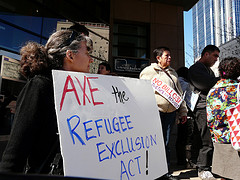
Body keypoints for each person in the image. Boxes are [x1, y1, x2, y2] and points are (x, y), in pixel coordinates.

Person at [0, 29, 93, 174]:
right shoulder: (39, 87)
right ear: (70, 55)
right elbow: (15, 153)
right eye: (87, 53)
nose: (91, 59)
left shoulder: (82, 91)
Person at [140, 47, 188, 180]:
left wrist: (183, 112)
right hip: (154, 112)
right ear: (158, 58)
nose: (170, 58)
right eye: (167, 56)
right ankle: (149, 171)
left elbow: (179, 95)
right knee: (153, 143)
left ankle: (164, 172)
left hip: (171, 114)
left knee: (165, 143)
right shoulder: (148, 72)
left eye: (170, 56)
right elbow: (142, 92)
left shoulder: (173, 74)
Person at [188, 45, 220, 180]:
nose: (216, 60)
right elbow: (205, 84)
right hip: (202, 107)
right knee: (205, 139)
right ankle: (203, 169)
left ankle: (199, 164)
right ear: (206, 54)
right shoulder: (196, 69)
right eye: (215, 56)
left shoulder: (208, 70)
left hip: (207, 106)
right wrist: (221, 81)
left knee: (200, 137)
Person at [206, 57, 240, 180]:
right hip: (238, 140)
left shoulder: (212, 91)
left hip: (220, 140)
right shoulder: (238, 89)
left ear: (220, 72)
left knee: (224, 174)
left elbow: (210, 119)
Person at [175, 67, 196, 169]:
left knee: (180, 138)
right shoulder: (185, 83)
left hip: (178, 112)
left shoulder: (175, 80)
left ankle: (180, 160)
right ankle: (188, 161)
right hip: (186, 111)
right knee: (188, 137)